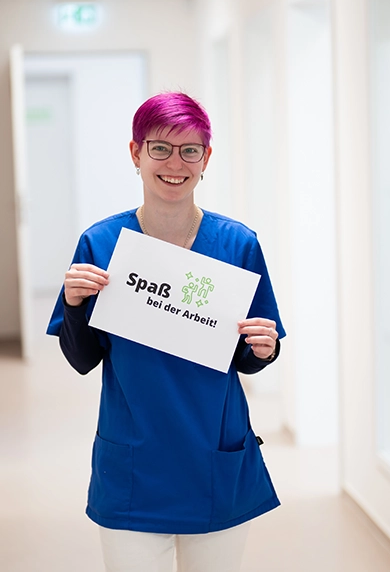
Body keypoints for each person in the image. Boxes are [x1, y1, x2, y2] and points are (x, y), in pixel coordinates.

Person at [46, 91, 285, 572]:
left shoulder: (238, 244)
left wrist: (264, 349)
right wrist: (73, 304)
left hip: (212, 457)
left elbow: (247, 356)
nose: (175, 163)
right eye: (160, 148)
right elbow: (83, 359)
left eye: (189, 150)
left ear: (206, 158)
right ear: (136, 153)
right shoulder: (102, 244)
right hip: (134, 464)